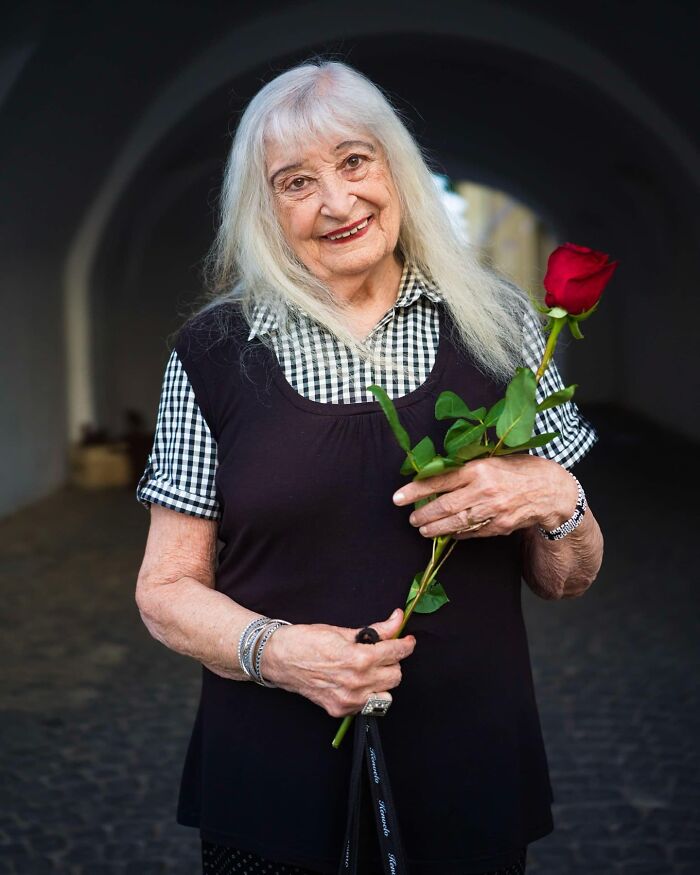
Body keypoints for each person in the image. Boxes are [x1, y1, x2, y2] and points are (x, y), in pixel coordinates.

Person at [135, 59, 603, 875]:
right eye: (296, 181)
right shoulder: (212, 352)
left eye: (355, 161)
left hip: (469, 761)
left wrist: (555, 494)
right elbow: (165, 589)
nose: (338, 202)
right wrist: (280, 653)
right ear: (264, 209)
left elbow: (568, 576)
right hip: (273, 771)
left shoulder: (501, 326)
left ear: (395, 167)